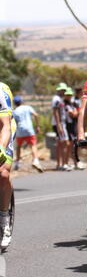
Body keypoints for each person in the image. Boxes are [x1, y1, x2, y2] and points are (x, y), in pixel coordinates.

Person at [0, 82, 16, 250]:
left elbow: (5, 125)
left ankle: (4, 220)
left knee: (3, 173)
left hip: (3, 131)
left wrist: (1, 149)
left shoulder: (1, 91)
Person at [13, 95, 44, 172]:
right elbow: (36, 115)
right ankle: (35, 161)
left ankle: (17, 163)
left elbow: (13, 122)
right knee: (33, 145)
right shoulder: (27, 107)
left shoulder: (15, 111)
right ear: (21, 101)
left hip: (20, 130)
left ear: (15, 103)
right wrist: (38, 126)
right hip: (29, 130)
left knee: (19, 147)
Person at [64, 87, 86, 170]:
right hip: (70, 125)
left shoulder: (76, 101)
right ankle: (68, 163)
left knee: (74, 144)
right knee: (71, 145)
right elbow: (74, 114)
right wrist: (79, 112)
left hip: (75, 124)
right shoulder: (73, 101)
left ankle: (76, 162)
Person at [52, 82, 70, 170]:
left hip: (61, 123)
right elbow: (55, 112)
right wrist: (59, 125)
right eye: (62, 90)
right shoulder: (57, 99)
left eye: (64, 90)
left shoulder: (59, 98)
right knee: (65, 143)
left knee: (60, 144)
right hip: (59, 124)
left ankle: (59, 164)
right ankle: (64, 164)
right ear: (59, 90)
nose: (64, 91)